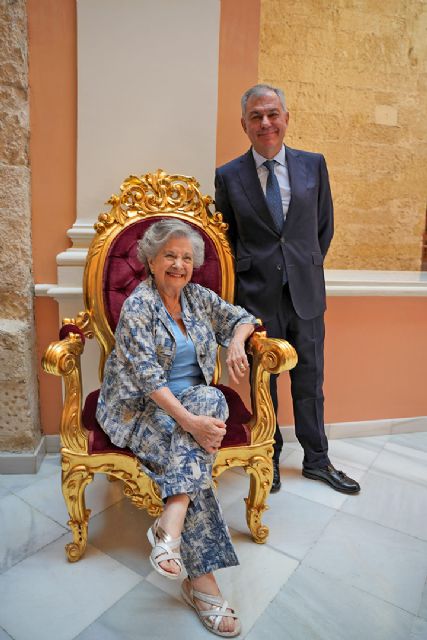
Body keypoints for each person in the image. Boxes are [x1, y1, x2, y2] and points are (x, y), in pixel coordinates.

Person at [97, 218, 258, 637]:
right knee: (198, 428)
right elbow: (148, 379)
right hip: (140, 410)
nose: (179, 264)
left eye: (186, 257)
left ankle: (172, 518)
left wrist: (236, 341)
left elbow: (243, 317)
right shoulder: (138, 305)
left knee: (211, 398)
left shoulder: (199, 299)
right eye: (169, 255)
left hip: (190, 405)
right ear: (150, 260)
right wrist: (192, 425)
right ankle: (202, 584)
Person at [215, 83, 360, 495]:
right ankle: (269, 458)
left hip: (306, 291)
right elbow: (226, 240)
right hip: (256, 296)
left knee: (311, 379)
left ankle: (317, 460)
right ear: (244, 125)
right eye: (256, 117)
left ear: (286, 118)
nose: (266, 123)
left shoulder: (314, 166)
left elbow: (322, 227)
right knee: (265, 384)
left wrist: (303, 265)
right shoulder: (227, 176)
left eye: (272, 114)